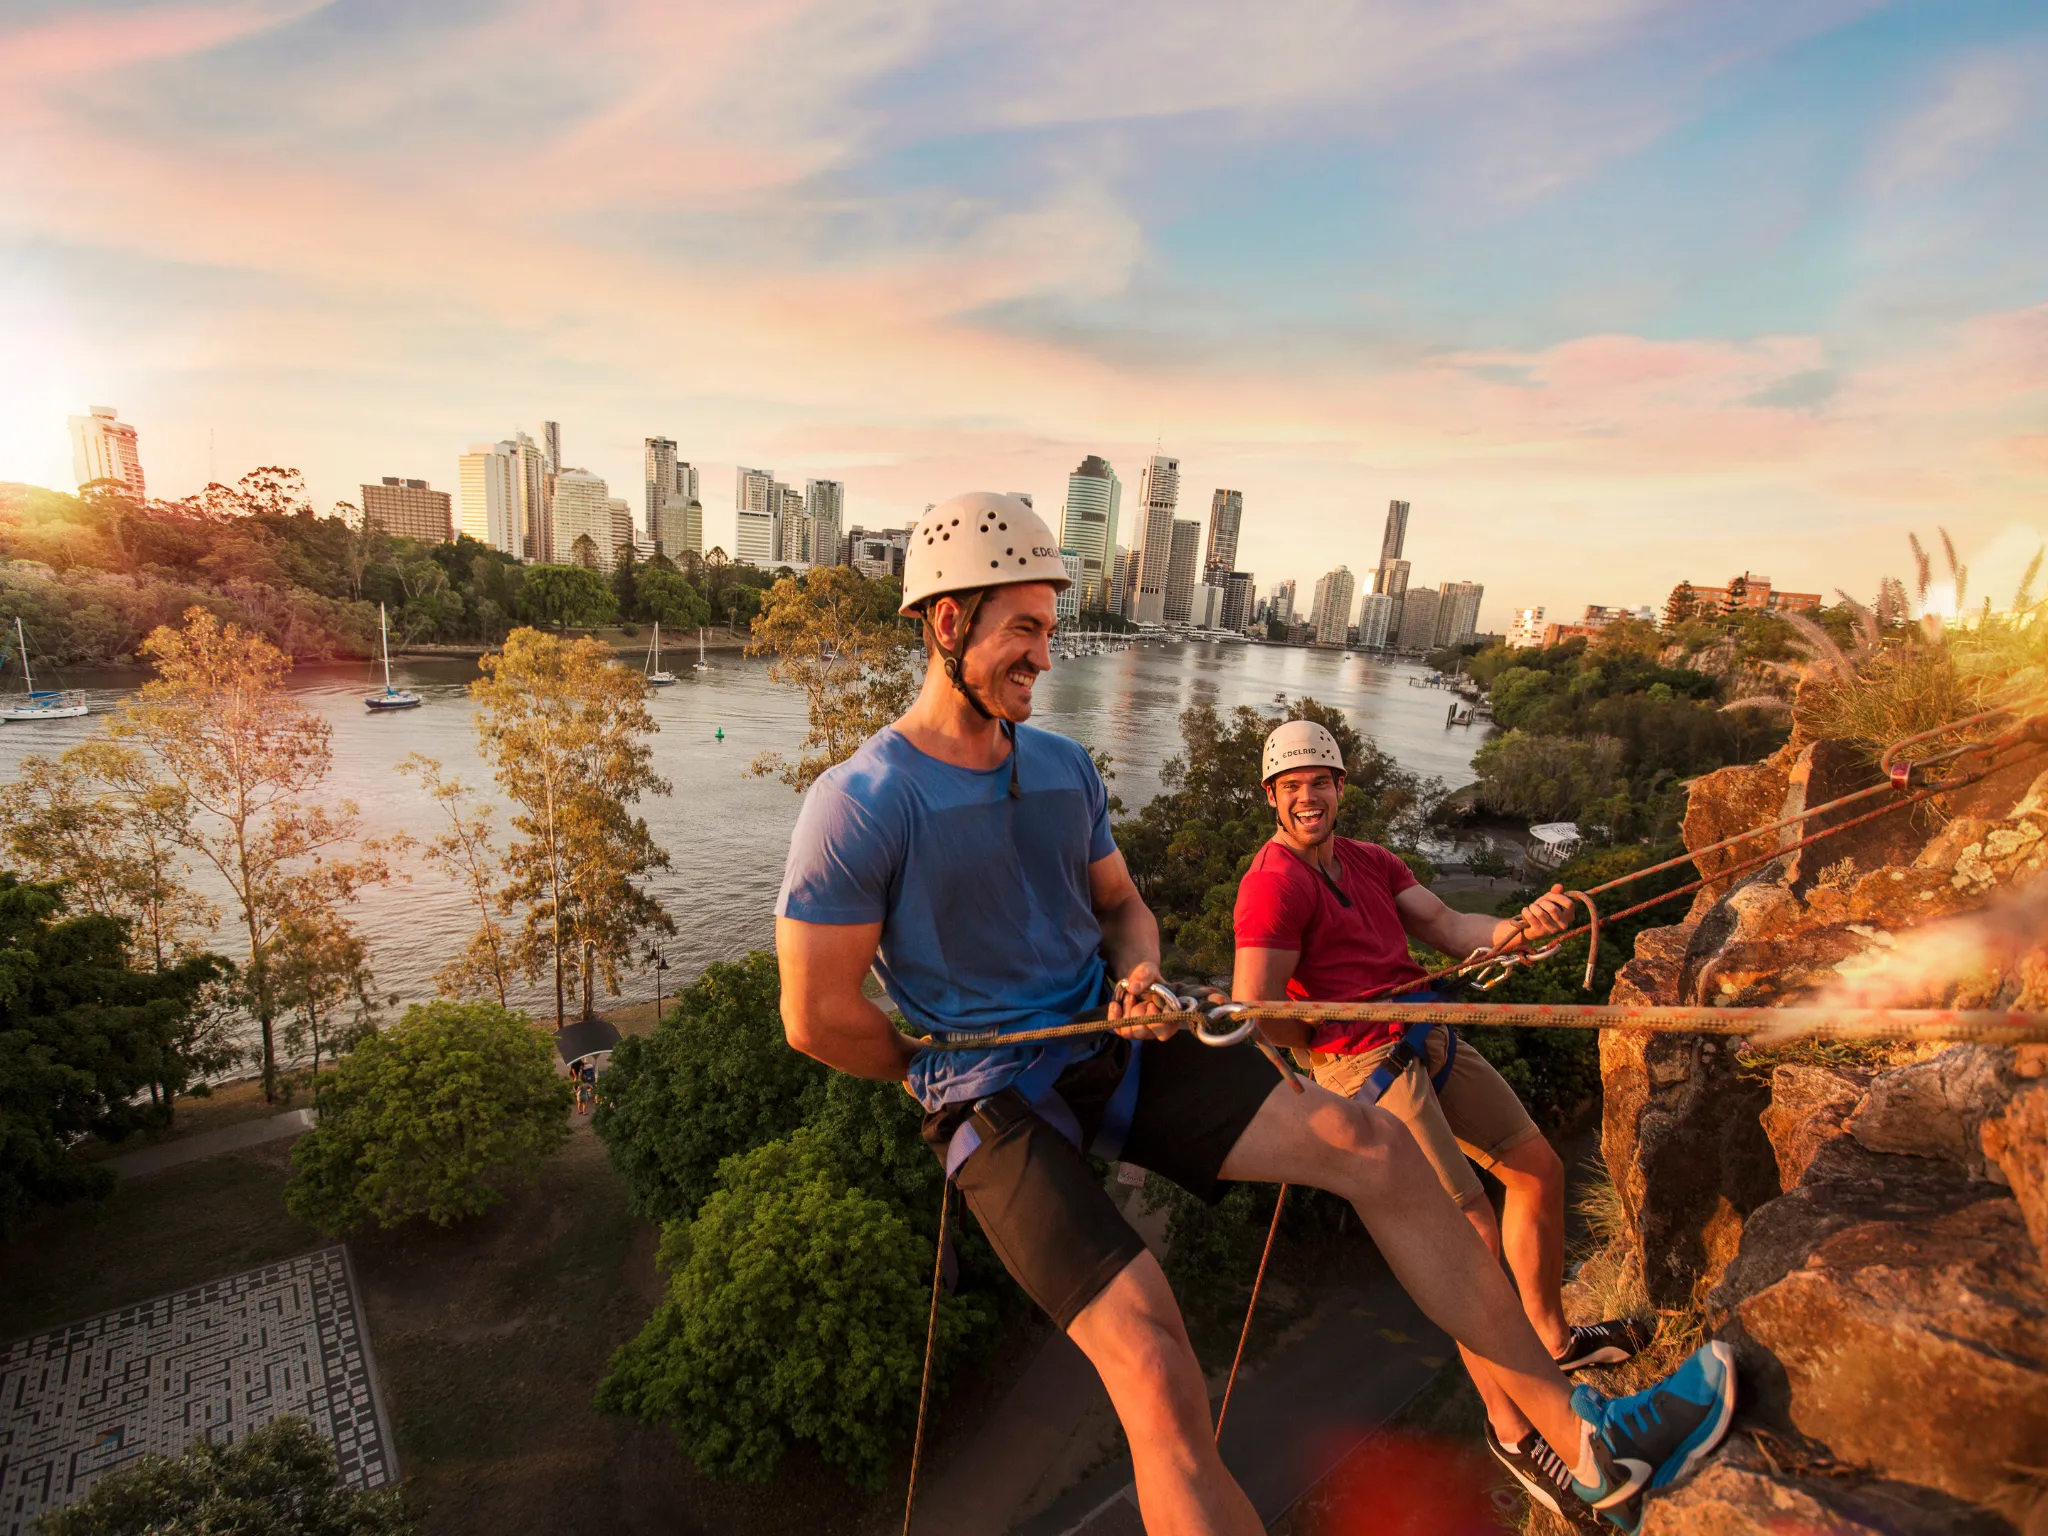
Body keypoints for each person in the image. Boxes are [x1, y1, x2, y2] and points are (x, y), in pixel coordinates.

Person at [775, 492, 1733, 1535]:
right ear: (948, 622)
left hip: (1113, 1037)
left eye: (1049, 631)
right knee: (1154, 1370)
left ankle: (1586, 1445)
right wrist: (934, 1066)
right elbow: (817, 1018)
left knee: (1371, 1145)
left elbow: (1122, 908)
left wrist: (1138, 976)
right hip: (989, 1095)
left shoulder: (1061, 768)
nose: (1043, 657)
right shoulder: (860, 802)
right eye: (1024, 630)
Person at [1232, 718, 1650, 1529]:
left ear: (1339, 788)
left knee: (1536, 1168)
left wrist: (1518, 931)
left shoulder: (1371, 861)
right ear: (1274, 800)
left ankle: (1552, 1338)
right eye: (1292, 788)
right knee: (1466, 1242)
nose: (1308, 797)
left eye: (1320, 782)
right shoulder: (1271, 884)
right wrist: (1320, 1033)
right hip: (1364, 1064)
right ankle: (1516, 1431)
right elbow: (1259, 1009)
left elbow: (1453, 931)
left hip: (1425, 1030)